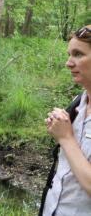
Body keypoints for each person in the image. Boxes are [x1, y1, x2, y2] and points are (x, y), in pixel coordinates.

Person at [41, 25, 91, 215]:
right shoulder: (78, 102)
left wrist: (65, 138)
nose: (68, 63)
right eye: (69, 54)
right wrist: (59, 126)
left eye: (78, 54)